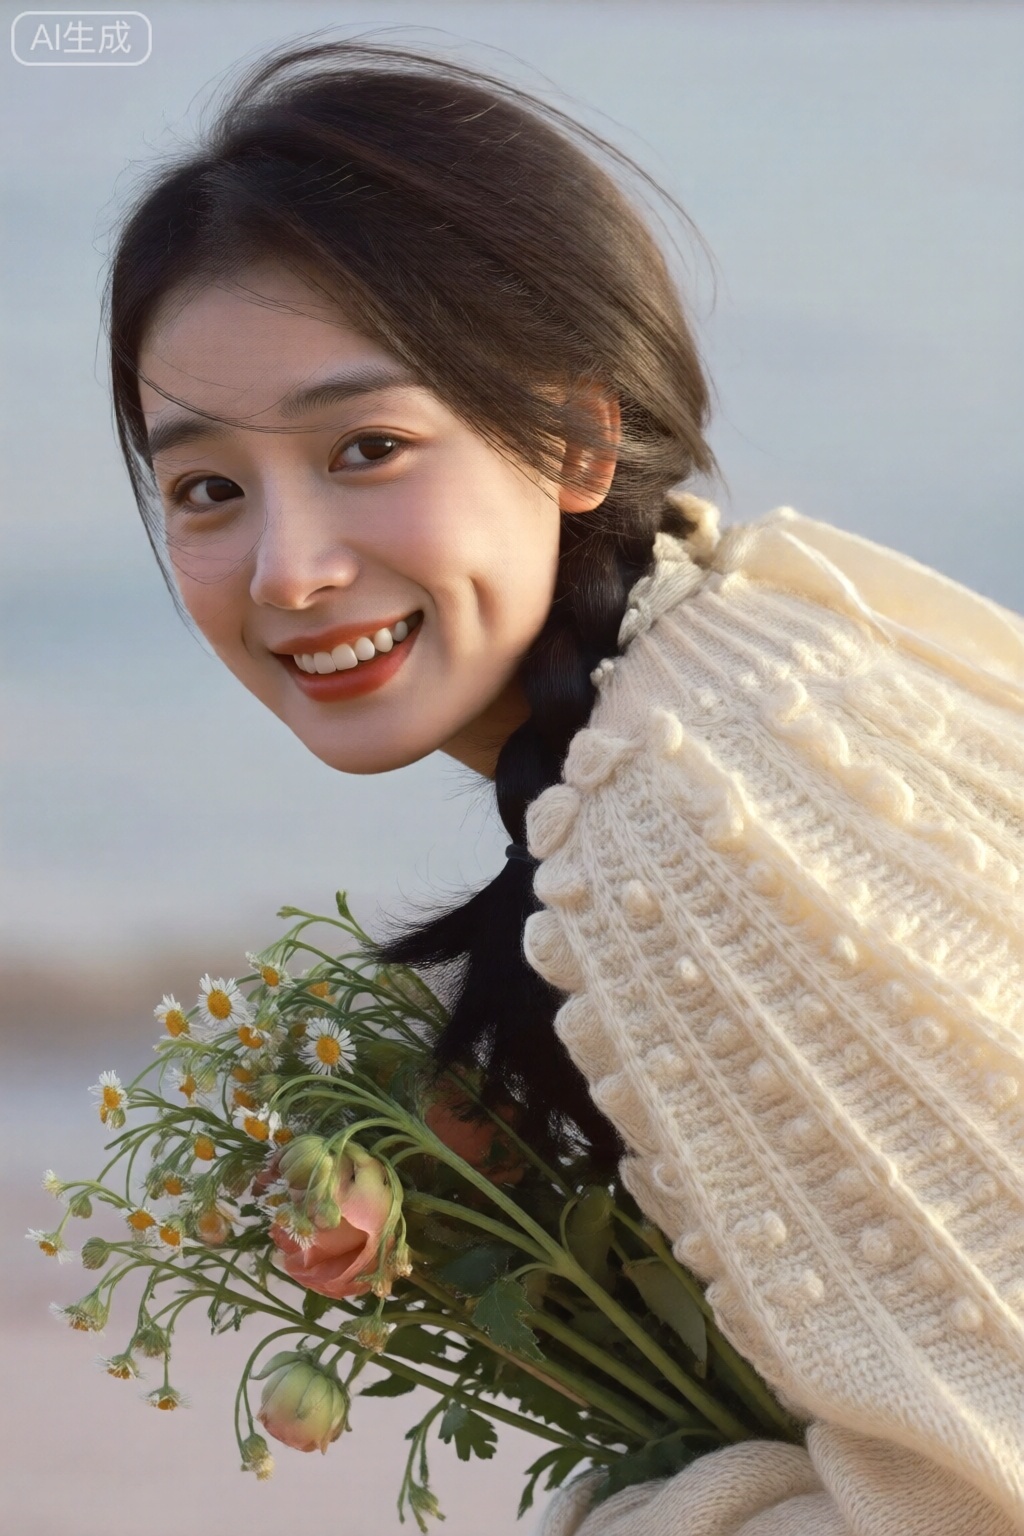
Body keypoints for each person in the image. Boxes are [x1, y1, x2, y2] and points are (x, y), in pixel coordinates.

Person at [104, 36, 1023, 1536]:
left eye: (370, 446)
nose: (287, 567)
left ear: (575, 436)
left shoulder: (689, 808)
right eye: (209, 487)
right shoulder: (743, 657)